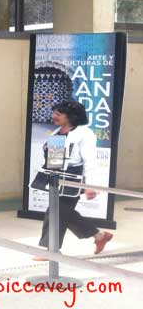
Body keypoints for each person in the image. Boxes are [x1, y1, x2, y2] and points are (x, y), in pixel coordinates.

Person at [34, 100, 113, 260]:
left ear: (71, 116)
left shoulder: (85, 134)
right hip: (56, 176)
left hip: (73, 177)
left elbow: (91, 161)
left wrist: (90, 185)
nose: (54, 116)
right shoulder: (58, 131)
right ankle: (99, 236)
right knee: (62, 211)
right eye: (54, 112)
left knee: (56, 211)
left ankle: (51, 250)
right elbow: (54, 158)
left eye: (58, 114)